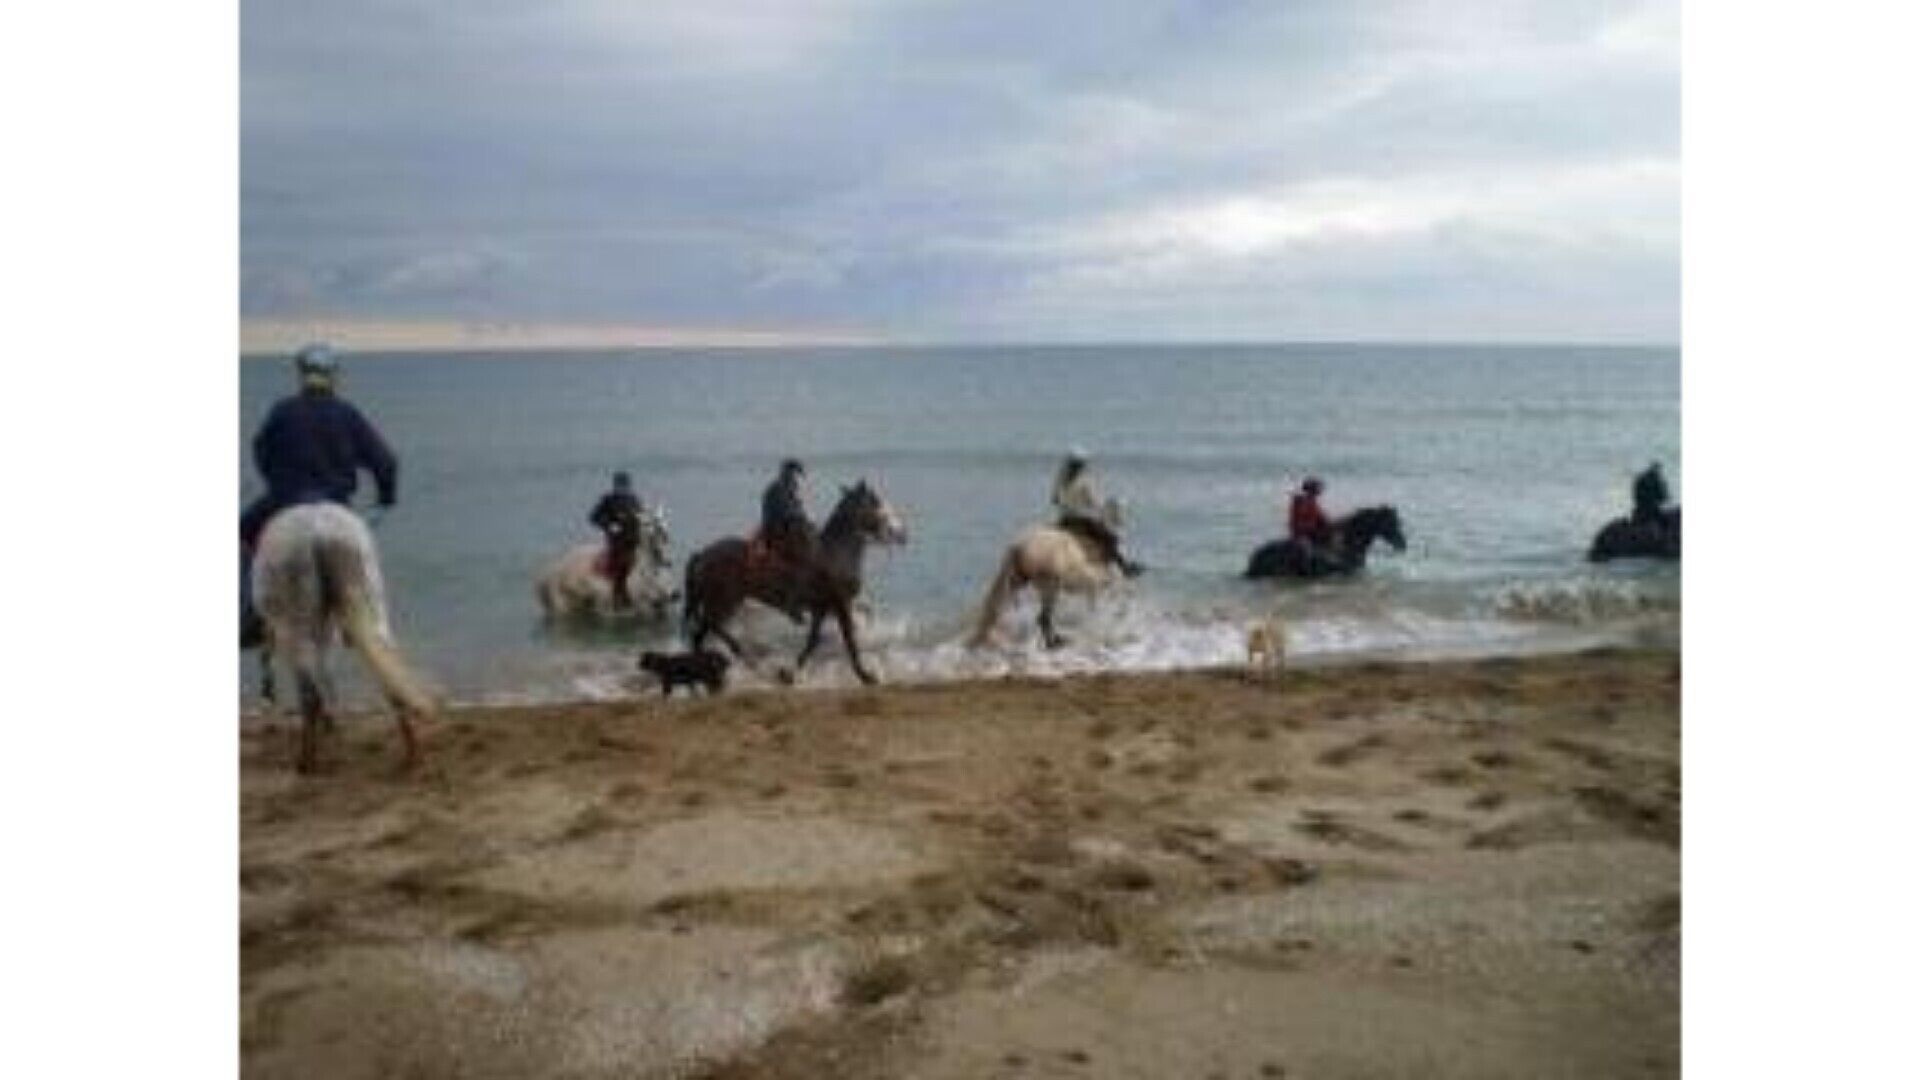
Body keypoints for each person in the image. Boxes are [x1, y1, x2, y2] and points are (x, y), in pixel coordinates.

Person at [241, 342, 398, 647]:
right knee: (364, 556)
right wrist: (385, 499)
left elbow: (261, 452)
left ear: (301, 374)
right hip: (336, 502)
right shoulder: (347, 413)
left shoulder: (282, 411)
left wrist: (278, 482)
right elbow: (386, 462)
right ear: (334, 375)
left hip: (286, 499)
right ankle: (375, 625)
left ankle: (250, 616)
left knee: (241, 536)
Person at [1052, 449, 1144, 577]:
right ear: (1082, 465)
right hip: (1080, 520)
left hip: (1064, 520)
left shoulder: (1061, 480)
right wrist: (1105, 507)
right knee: (1110, 538)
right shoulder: (1084, 482)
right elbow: (1094, 504)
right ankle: (1124, 567)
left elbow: (1054, 500)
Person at [757, 458, 816, 617]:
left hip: (788, 529)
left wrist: (807, 519)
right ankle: (791, 602)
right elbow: (787, 512)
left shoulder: (789, 488)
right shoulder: (777, 489)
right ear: (787, 472)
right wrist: (802, 518)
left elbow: (797, 510)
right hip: (776, 531)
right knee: (801, 562)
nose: (796, 478)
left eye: (797, 475)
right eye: (794, 474)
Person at [589, 471, 646, 609]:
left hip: (634, 538)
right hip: (617, 539)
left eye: (625, 486)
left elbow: (642, 515)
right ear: (615, 486)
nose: (623, 490)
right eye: (620, 486)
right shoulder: (607, 500)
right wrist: (609, 525)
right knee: (618, 563)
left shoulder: (635, 500)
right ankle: (617, 592)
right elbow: (594, 517)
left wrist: (644, 522)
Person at [1288, 477, 1334, 567]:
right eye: (1318, 489)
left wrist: (1329, 524)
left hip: (1311, 532)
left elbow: (1322, 518)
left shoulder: (1313, 503)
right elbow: (1300, 522)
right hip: (1302, 534)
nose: (1320, 491)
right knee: (1307, 551)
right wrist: (1314, 528)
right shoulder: (1302, 502)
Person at [1632, 461, 1670, 527]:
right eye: (1657, 469)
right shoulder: (1648, 479)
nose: (1658, 471)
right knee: (1661, 521)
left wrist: (1663, 498)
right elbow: (1639, 491)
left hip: (1648, 505)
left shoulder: (1656, 479)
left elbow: (1662, 494)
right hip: (1647, 505)